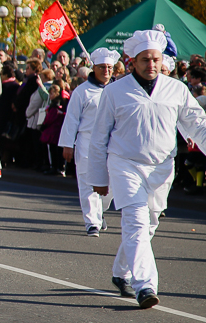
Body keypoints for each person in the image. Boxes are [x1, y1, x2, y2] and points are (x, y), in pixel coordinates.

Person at [88, 29, 206, 308]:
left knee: (149, 224)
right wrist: (98, 177)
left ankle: (121, 273)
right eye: (145, 60)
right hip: (125, 164)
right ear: (132, 61)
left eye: (155, 59)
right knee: (136, 222)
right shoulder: (115, 91)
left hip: (162, 167)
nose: (151, 65)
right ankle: (145, 286)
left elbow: (197, 124)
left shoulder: (176, 89)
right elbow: (98, 137)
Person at [58, 48, 118, 236]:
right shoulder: (82, 92)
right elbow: (72, 119)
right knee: (87, 181)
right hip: (87, 142)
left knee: (111, 185)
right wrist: (68, 144)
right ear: (94, 68)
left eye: (109, 67)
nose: (106, 71)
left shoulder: (119, 90)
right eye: (102, 67)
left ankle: (100, 212)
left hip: (112, 143)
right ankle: (92, 221)